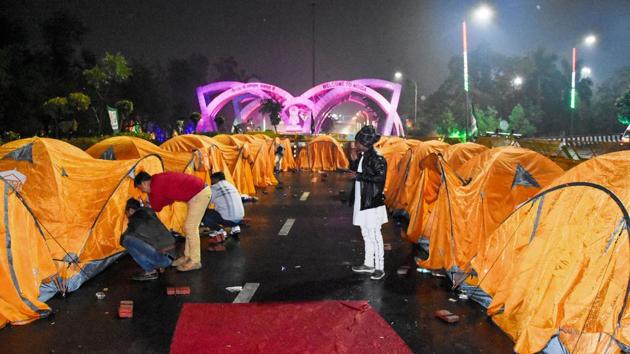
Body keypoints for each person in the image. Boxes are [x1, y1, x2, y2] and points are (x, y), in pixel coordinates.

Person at [134, 171, 211, 272]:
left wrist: (149, 201)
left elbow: (157, 207)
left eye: (141, 188)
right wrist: (151, 200)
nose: (143, 191)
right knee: (188, 227)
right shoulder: (157, 180)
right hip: (197, 193)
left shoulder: (156, 185)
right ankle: (188, 257)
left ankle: (195, 261)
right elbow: (169, 199)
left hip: (200, 193)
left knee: (190, 227)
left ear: (144, 183)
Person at [349, 125, 388, 280]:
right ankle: (368, 263)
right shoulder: (364, 156)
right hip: (362, 200)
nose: (355, 145)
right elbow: (357, 172)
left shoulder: (378, 158)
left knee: (374, 233)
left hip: (372, 202)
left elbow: (380, 179)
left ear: (363, 143)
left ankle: (380, 267)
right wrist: (353, 161)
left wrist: (358, 177)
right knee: (365, 233)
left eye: (357, 142)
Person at [121, 198, 174, 281]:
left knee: (127, 240)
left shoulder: (135, 219)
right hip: (173, 255)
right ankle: (159, 264)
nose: (126, 216)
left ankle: (150, 271)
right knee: (141, 241)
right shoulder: (149, 211)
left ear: (131, 210)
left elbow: (123, 239)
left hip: (163, 258)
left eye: (126, 213)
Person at [202, 171, 245, 237]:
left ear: (215, 179)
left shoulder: (213, 188)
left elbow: (205, 204)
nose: (211, 182)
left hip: (227, 220)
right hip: (240, 218)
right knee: (227, 209)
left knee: (204, 214)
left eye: (212, 180)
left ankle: (219, 230)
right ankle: (235, 227)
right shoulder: (231, 185)